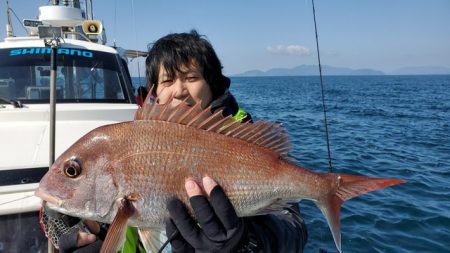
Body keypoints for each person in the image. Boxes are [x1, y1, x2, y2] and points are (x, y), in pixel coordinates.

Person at [57, 30, 307, 252]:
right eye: (167, 81)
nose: (178, 90)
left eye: (190, 77)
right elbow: (131, 226)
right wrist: (96, 230)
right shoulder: (136, 139)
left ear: (213, 83)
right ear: (154, 90)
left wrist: (246, 243)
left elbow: (293, 229)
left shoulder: (245, 138)